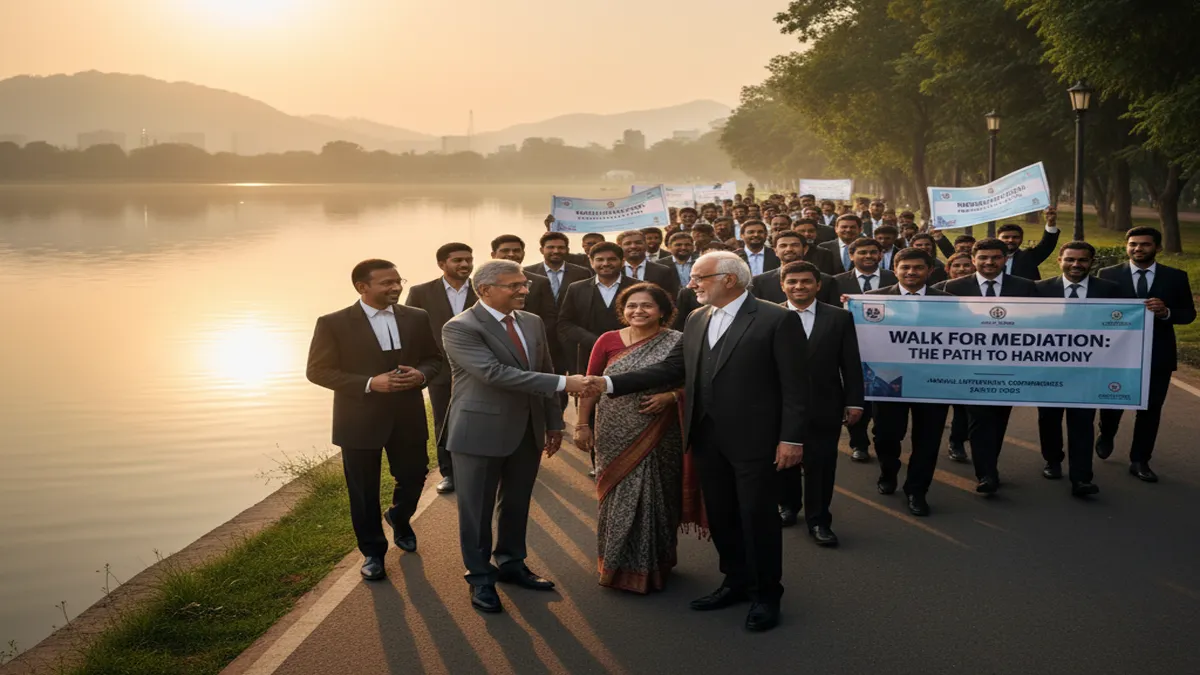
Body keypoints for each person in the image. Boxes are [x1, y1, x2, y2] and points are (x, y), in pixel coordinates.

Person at [586, 251, 809, 633]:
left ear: (729, 280)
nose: (692, 284)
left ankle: (766, 595)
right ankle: (735, 581)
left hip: (756, 441)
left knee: (757, 517)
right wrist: (607, 383)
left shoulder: (776, 319)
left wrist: (791, 439)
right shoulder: (696, 317)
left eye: (700, 277)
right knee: (721, 515)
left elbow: (796, 386)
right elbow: (673, 368)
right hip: (706, 438)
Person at [440, 259, 591, 613]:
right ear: (485, 290)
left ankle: (511, 563)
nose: (524, 290)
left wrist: (553, 422)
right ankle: (480, 578)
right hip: (478, 432)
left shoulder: (532, 321)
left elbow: (544, 368)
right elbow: (493, 373)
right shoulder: (460, 328)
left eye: (525, 284)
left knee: (517, 502)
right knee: (476, 510)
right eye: (515, 285)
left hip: (527, 429)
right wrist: (565, 383)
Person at [307, 259, 443, 581]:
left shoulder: (417, 317)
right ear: (362, 287)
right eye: (387, 283)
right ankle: (373, 553)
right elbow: (317, 371)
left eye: (398, 281)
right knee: (363, 491)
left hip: (408, 416)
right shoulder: (333, 323)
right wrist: (369, 383)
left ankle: (399, 517)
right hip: (358, 420)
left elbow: (434, 358)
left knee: (414, 476)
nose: (396, 287)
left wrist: (421, 375)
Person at [574, 284, 703, 593]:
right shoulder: (607, 340)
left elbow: (698, 383)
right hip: (612, 429)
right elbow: (590, 386)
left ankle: (654, 567)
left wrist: (672, 397)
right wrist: (581, 424)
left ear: (662, 311)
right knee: (616, 494)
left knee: (658, 495)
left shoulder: (678, 341)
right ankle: (615, 565)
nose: (638, 311)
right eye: (631, 306)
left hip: (661, 430)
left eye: (647, 305)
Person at [1097, 227, 1196, 482]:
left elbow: (1188, 314)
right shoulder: (1108, 275)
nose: (1138, 248)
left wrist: (1166, 312)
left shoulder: (1175, 277)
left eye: (1144, 244)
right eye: (1133, 244)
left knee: (1150, 409)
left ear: (1157, 248)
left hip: (1157, 353)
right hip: (1117, 353)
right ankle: (1106, 433)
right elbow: (1096, 312)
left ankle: (1140, 460)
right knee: (1112, 402)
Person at [942, 238, 1038, 494]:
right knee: (980, 418)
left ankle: (989, 463)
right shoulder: (953, 287)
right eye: (983, 258)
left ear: (1005, 259)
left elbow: (1039, 321)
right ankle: (986, 473)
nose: (989, 262)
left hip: (1010, 366)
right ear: (973, 260)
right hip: (969, 366)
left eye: (995, 257)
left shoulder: (1025, 286)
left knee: (999, 418)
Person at [776, 261, 863, 544]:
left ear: (818, 285)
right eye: (792, 282)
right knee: (783, 461)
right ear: (782, 285)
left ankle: (819, 521)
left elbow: (850, 362)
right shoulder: (769, 316)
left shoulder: (839, 317)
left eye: (806, 281)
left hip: (825, 405)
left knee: (821, 465)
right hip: (780, 407)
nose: (799, 286)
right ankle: (788, 506)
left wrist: (855, 401)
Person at [864, 248, 951, 516]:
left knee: (928, 440)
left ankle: (917, 490)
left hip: (932, 384)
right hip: (887, 382)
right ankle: (888, 472)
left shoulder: (950, 302)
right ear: (895, 269)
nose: (911, 272)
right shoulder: (871, 299)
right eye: (905, 267)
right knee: (886, 436)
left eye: (918, 267)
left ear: (930, 270)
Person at [1035, 242, 1123, 497]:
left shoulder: (1110, 290)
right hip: (1049, 370)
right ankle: (1053, 460)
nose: (1076, 265)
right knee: (1049, 420)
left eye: (1082, 260)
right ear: (1059, 261)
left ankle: (1082, 478)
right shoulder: (1039, 289)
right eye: (1070, 259)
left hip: (1089, 371)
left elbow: (1124, 323)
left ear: (1091, 262)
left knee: (1083, 423)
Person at [405, 243, 477, 494]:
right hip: (440, 369)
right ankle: (450, 473)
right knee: (444, 421)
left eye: (468, 259)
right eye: (458, 260)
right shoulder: (421, 292)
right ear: (441, 264)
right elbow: (411, 331)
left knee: (482, 418)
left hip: (480, 368)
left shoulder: (484, 289)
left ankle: (484, 469)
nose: (465, 264)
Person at [937, 252, 976, 463]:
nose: (962, 269)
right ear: (948, 268)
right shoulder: (936, 291)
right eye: (957, 265)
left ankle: (957, 442)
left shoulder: (980, 292)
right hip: (938, 356)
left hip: (967, 356)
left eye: (966, 265)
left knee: (962, 405)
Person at [749, 230, 840, 307]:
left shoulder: (826, 281)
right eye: (783, 246)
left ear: (805, 249)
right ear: (775, 251)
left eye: (795, 245)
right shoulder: (759, 282)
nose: (789, 249)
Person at [996, 207, 1060, 280]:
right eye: (1006, 237)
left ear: (1021, 239)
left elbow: (1047, 244)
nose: (1010, 240)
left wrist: (1051, 223)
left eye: (1015, 237)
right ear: (997, 238)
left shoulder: (1029, 257)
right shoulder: (989, 257)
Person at [616, 229, 681, 297]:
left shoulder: (663, 271)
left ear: (646, 245)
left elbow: (671, 298)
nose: (633, 246)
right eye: (628, 243)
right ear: (620, 247)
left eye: (638, 243)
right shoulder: (615, 272)